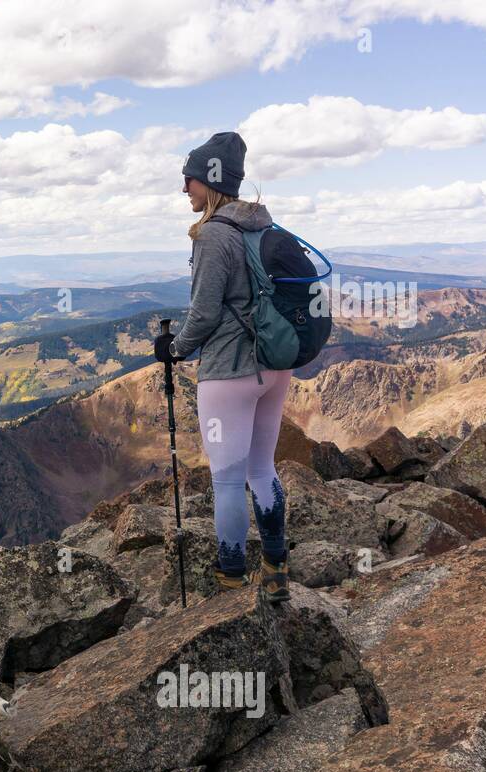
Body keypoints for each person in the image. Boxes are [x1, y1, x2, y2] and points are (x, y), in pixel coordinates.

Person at [153, 131, 290, 603]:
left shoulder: (213, 235)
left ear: (208, 182)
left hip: (230, 371)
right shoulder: (262, 227)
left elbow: (205, 313)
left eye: (188, 179)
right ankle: (276, 570)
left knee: (227, 480)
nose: (184, 190)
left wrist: (174, 349)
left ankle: (231, 581)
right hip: (275, 367)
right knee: (262, 469)